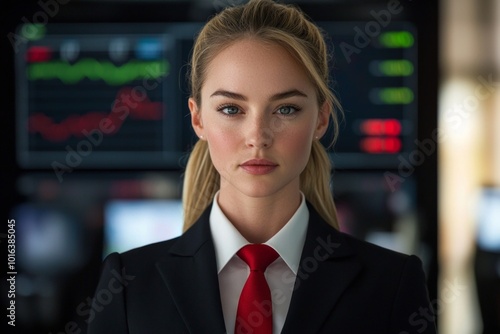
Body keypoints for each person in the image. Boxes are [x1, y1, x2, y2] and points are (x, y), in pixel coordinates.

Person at [87, 0, 436, 333]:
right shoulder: (128, 283)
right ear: (197, 118)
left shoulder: (392, 284)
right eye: (231, 109)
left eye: (286, 109)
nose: (257, 137)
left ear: (321, 118)